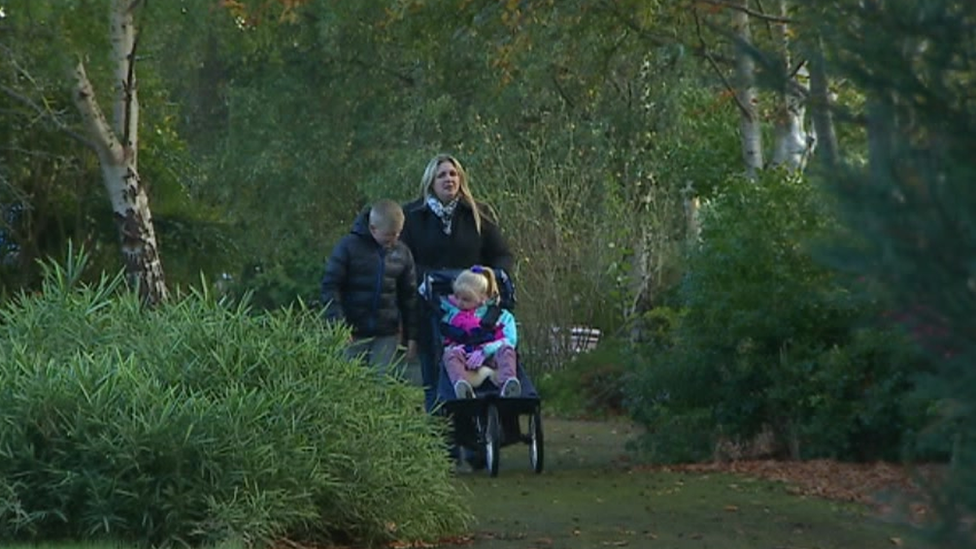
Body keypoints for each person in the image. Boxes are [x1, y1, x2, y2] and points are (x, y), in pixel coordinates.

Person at [400, 153, 514, 410]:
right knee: (434, 370)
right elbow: (404, 260)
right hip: (431, 306)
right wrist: (430, 277)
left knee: (477, 362)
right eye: (442, 175)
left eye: (453, 174)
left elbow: (502, 254)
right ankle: (439, 430)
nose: (448, 179)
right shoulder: (413, 216)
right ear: (431, 181)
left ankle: (480, 430)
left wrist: (492, 276)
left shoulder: (477, 213)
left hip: (474, 305)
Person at [321, 199, 417, 375]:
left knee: (381, 386)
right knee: (350, 384)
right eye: (389, 235)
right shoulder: (347, 247)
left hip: (387, 333)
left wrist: (412, 335)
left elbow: (409, 296)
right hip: (352, 333)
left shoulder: (402, 253)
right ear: (373, 228)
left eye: (398, 234)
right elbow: (330, 287)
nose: (394, 240)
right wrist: (338, 326)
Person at [439, 266, 521, 398]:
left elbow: (510, 340)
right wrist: (454, 347)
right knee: (450, 355)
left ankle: (507, 386)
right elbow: (445, 338)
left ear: (483, 298)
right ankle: (462, 386)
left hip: (494, 360)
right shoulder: (451, 317)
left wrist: (486, 350)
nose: (460, 303)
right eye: (457, 297)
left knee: (507, 351)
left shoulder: (502, 316)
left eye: (466, 299)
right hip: (466, 359)